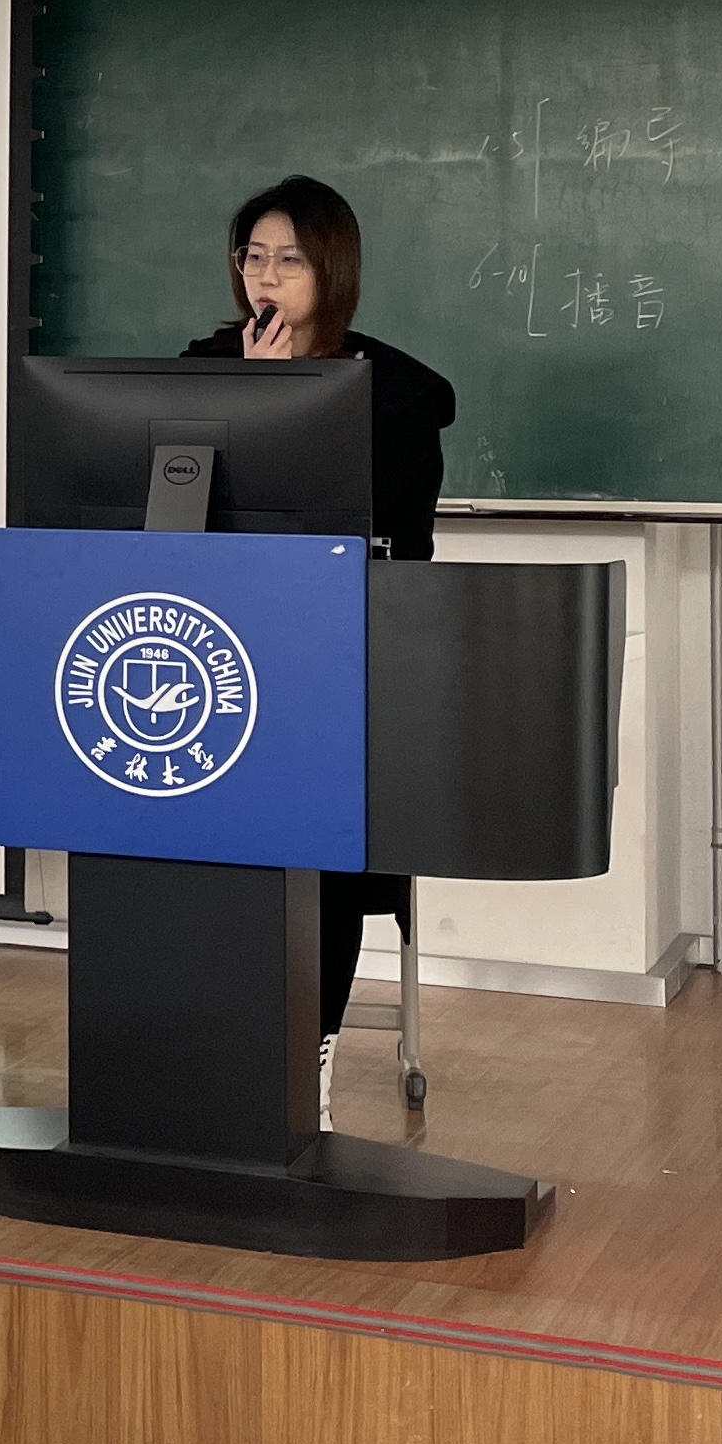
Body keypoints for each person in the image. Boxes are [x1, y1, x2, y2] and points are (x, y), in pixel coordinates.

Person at [185, 172, 458, 1121]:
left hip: (337, 669)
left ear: (331, 272)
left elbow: (402, 554)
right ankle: (204, 1045)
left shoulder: (402, 395)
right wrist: (246, 394)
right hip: (213, 655)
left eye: (288, 261)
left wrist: (282, 401)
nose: (264, 279)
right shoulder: (199, 369)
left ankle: (310, 1061)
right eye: (252, 258)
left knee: (324, 857)